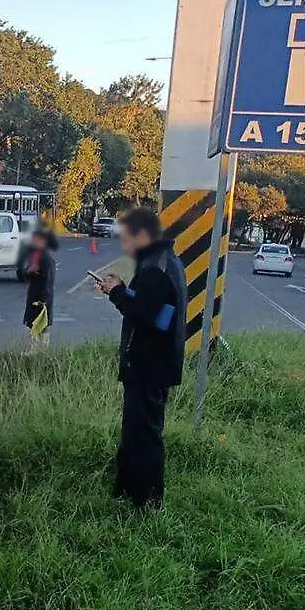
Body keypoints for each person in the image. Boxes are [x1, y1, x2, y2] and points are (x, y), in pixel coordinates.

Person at [95, 208, 186, 510]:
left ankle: (148, 501)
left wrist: (118, 293)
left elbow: (154, 320)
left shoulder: (153, 269)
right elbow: (157, 308)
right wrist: (121, 290)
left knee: (145, 434)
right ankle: (128, 492)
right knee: (136, 431)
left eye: (126, 238)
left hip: (148, 365)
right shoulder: (163, 261)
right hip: (153, 364)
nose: (124, 245)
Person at [22, 229, 57, 350]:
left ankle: (41, 349)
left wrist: (45, 299)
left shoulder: (46, 257)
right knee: (33, 323)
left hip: (42, 297)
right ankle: (34, 348)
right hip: (33, 294)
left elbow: (49, 279)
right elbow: (25, 274)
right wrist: (29, 271)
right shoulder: (35, 255)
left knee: (42, 324)